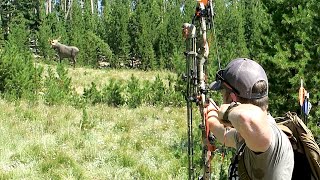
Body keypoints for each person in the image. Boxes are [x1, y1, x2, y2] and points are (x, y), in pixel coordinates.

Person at [206, 58, 294, 179]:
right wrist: (209, 112)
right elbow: (224, 135)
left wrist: (227, 112)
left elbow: (247, 119)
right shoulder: (247, 135)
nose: (222, 99)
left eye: (223, 94)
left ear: (232, 99)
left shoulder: (269, 135)